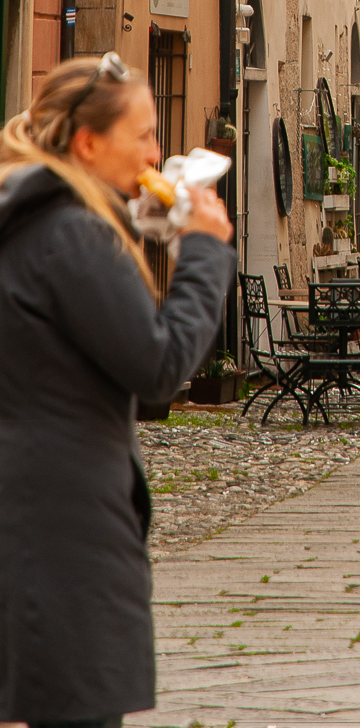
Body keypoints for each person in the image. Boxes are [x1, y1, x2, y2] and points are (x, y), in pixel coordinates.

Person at [0, 53, 235, 728]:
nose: (156, 154)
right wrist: (203, 252)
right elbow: (159, 366)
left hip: (31, 511)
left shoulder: (28, 219)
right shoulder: (73, 234)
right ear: (88, 143)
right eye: (144, 135)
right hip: (64, 528)